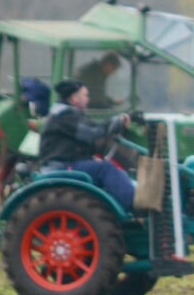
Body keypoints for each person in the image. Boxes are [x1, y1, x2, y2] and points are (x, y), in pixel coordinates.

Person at [38, 79, 136, 209]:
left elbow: (85, 137)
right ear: (74, 98)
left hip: (67, 162)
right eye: (85, 95)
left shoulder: (68, 114)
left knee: (105, 165)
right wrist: (116, 122)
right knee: (105, 167)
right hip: (62, 166)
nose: (88, 98)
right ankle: (134, 203)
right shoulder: (65, 115)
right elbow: (92, 133)